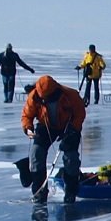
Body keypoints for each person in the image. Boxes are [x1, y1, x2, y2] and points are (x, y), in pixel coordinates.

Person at [20, 74, 87, 205]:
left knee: (70, 157)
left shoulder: (71, 95)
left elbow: (80, 114)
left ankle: (71, 191)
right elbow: (26, 115)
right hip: (45, 126)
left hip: (69, 126)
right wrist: (28, 128)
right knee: (36, 153)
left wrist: (73, 129)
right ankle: (39, 192)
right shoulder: (34, 96)